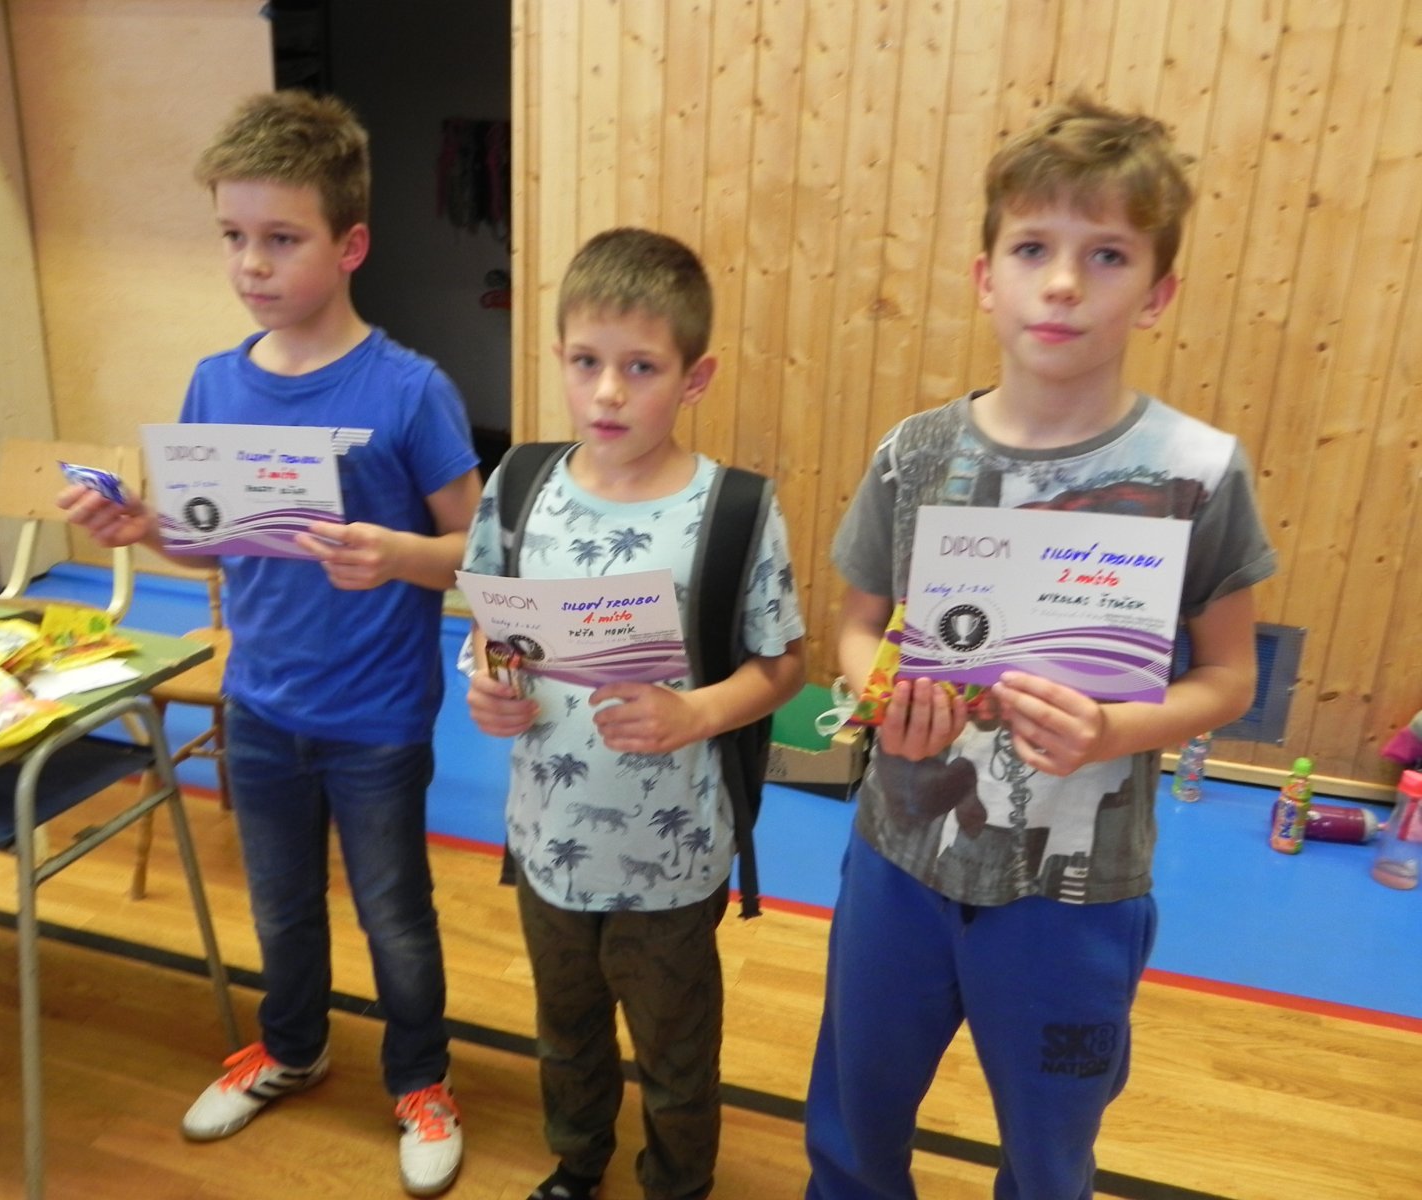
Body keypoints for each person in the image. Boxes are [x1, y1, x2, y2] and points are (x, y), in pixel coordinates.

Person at [805, 95, 1277, 1199]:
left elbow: (1230, 678)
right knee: (854, 1127)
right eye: (1032, 249)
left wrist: (1114, 730)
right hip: (898, 862)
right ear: (986, 277)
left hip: (1077, 897)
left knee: (1051, 1156)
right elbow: (858, 625)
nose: (1062, 283)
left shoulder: (1199, 473)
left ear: (1156, 293)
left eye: (1105, 254)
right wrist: (882, 697)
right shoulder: (914, 454)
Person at [60, 90, 480, 1197]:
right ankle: (291, 1048)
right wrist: (144, 528)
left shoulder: (411, 390)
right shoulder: (215, 380)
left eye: (282, 238)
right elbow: (207, 545)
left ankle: (421, 1078)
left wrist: (397, 553)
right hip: (260, 703)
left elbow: (479, 554)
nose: (252, 264)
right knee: (281, 905)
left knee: (393, 915)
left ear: (350, 245)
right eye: (234, 236)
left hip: (377, 718)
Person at [462, 228, 806, 1200]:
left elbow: (784, 664)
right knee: (565, 1030)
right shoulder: (519, 485)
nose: (607, 391)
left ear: (695, 378)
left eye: (640, 368)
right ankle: (577, 1165)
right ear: (560, 358)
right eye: (586, 362)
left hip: (673, 855)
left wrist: (697, 713)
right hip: (547, 839)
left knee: (675, 1050)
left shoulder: (733, 510)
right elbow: (488, 623)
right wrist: (486, 683)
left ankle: (677, 1183)